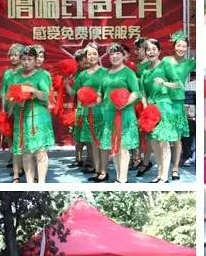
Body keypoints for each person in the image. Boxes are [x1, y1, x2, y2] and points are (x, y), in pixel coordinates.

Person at [9, 46, 54, 183]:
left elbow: (46, 96)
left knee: (41, 152)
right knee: (26, 153)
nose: (26, 62)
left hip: (39, 118)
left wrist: (32, 90)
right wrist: (16, 100)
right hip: (22, 118)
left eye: (30, 59)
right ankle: (29, 183)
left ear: (35, 60)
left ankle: (41, 183)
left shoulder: (42, 75)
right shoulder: (15, 76)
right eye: (24, 59)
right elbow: (10, 97)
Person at [139, 38, 181, 183]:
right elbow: (142, 92)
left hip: (164, 107)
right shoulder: (145, 71)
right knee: (154, 143)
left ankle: (164, 176)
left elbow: (178, 84)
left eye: (154, 49)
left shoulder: (165, 65)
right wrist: (145, 107)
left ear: (159, 51)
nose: (151, 52)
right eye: (148, 50)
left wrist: (164, 83)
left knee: (163, 141)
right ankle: (159, 174)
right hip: (151, 109)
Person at [66, 42, 108, 182]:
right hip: (86, 112)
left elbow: (108, 93)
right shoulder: (82, 75)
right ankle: (96, 169)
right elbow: (74, 93)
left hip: (102, 111)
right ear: (85, 57)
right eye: (89, 54)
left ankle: (104, 171)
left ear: (99, 55)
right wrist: (65, 83)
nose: (91, 56)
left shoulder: (105, 72)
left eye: (94, 54)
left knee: (102, 142)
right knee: (92, 143)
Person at [101, 43, 140, 183]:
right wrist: (92, 100)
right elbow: (101, 93)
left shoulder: (128, 73)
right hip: (109, 114)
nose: (115, 56)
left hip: (124, 114)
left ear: (124, 56)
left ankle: (123, 179)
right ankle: (119, 177)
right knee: (115, 148)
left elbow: (136, 92)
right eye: (112, 54)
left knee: (123, 147)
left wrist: (124, 102)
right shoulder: (106, 73)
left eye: (118, 53)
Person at [162, 30, 195, 180]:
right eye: (178, 45)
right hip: (164, 101)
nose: (181, 48)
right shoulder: (166, 61)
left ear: (187, 48)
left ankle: (175, 168)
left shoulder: (190, 63)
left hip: (178, 102)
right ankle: (163, 168)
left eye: (184, 46)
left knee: (177, 138)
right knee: (163, 137)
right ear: (174, 46)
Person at [0, 43, 24, 182]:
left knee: (20, 136)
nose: (13, 58)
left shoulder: (24, 72)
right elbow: (4, 92)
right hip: (9, 108)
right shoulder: (7, 73)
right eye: (11, 55)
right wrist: (3, 108)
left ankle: (20, 165)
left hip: (20, 108)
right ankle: (14, 157)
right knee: (9, 135)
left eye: (16, 55)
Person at [68, 49, 91, 170]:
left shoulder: (93, 73)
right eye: (81, 60)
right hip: (78, 107)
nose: (85, 62)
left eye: (86, 59)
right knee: (78, 135)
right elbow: (73, 93)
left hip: (90, 107)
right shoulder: (76, 74)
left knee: (89, 136)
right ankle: (78, 159)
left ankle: (90, 160)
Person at [133, 37, 153, 177]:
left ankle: (146, 161)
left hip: (146, 102)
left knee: (147, 133)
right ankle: (138, 159)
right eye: (136, 49)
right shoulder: (138, 65)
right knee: (140, 133)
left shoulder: (150, 65)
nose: (136, 52)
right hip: (136, 102)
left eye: (138, 49)